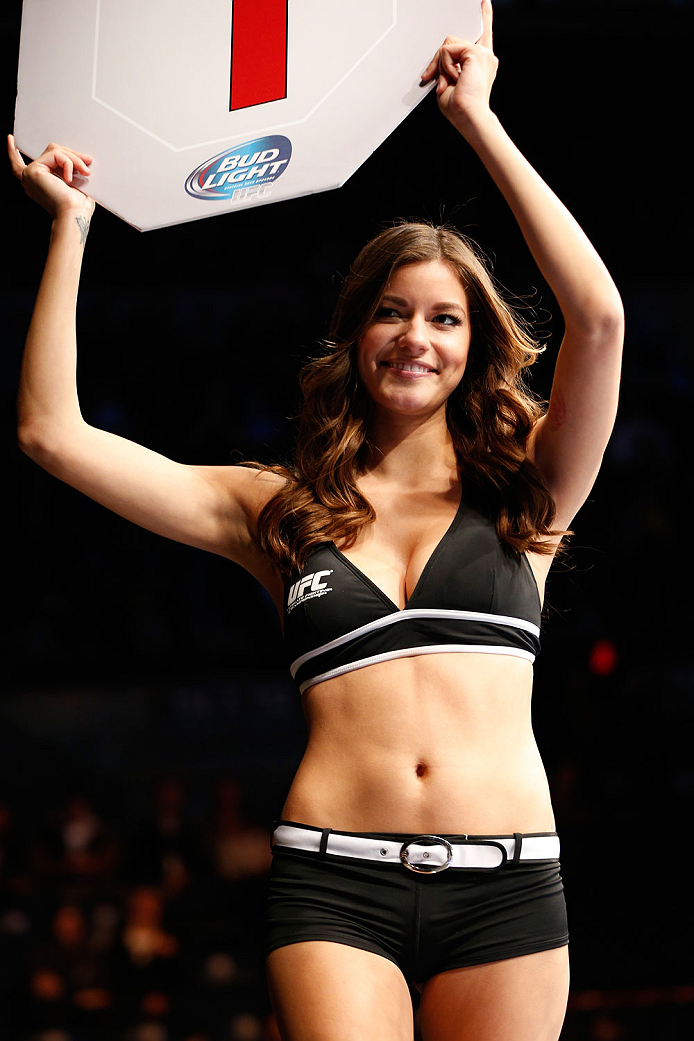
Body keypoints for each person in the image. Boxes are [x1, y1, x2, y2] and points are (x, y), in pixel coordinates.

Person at [10, 3, 623, 1038]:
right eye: (392, 310)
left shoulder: (532, 491)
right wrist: (72, 226)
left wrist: (476, 121)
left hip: (510, 893)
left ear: (474, 344)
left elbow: (598, 318)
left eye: (444, 317)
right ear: (356, 334)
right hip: (335, 888)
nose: (415, 337)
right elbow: (51, 435)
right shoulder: (276, 508)